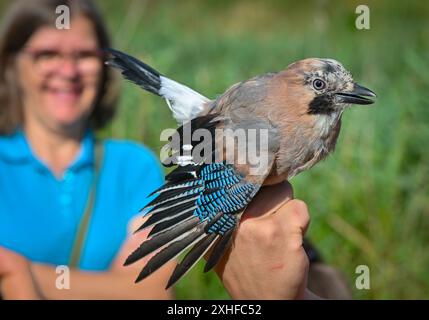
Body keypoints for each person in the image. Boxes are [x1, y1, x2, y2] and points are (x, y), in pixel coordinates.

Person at [0, 0, 349, 300]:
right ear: (11, 64)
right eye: (47, 53)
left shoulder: (134, 166)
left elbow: (151, 292)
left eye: (84, 55)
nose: (67, 69)